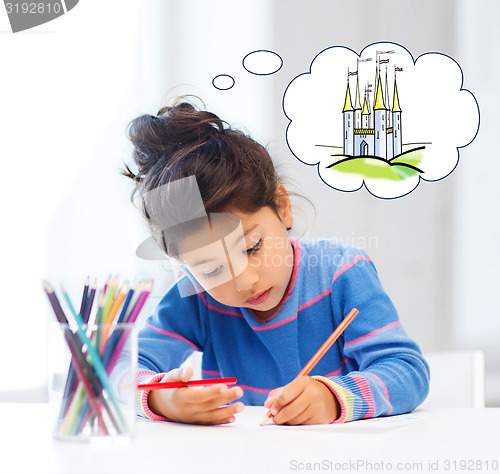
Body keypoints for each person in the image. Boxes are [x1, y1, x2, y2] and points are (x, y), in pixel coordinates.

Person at [122, 98, 429, 426]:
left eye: (252, 247)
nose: (243, 281)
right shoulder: (195, 297)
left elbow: (407, 371)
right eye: (211, 269)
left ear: (282, 207)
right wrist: (159, 396)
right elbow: (116, 368)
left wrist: (333, 398)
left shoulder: (340, 272)